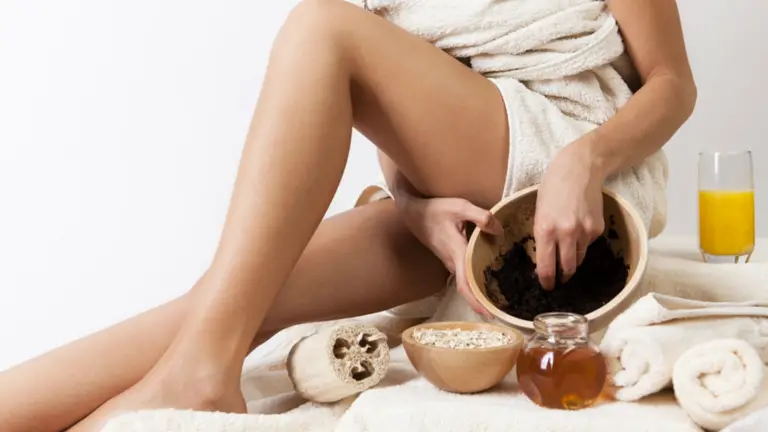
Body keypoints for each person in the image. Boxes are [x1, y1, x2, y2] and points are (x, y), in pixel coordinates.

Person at [0, 0, 696, 431]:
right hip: (462, 211)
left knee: (321, 27)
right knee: (230, 299)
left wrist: (583, 160)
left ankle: (203, 377)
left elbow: (673, 84)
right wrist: (414, 206)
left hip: (573, 169)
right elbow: (394, 109)